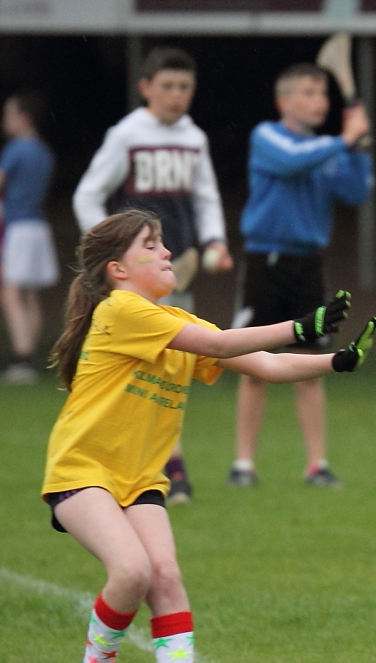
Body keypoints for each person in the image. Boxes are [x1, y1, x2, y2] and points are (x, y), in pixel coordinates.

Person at [44, 209, 376, 663]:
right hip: (82, 470)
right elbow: (225, 347)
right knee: (130, 571)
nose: (166, 252)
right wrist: (302, 326)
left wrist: (333, 362)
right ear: (117, 270)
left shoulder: (178, 323)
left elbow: (262, 364)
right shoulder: (122, 310)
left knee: (166, 577)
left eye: (164, 244)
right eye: (150, 246)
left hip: (140, 479)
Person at [73, 45, 233, 505]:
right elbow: (88, 195)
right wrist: (106, 252)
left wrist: (215, 241)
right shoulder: (127, 135)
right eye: (166, 86)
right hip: (133, 282)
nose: (176, 95)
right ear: (145, 88)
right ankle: (147, 467)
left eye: (185, 87)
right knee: (134, 373)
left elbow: (205, 197)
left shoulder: (194, 138)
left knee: (176, 368)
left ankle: (169, 465)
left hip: (174, 272)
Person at [228, 63, 372, 489]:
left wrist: (359, 148)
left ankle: (316, 465)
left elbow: (357, 191)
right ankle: (243, 464)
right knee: (255, 366)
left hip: (308, 265)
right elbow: (292, 163)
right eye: (307, 92)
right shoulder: (268, 138)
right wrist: (344, 139)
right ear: (283, 101)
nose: (318, 101)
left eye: (323, 94)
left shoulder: (328, 151)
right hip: (266, 260)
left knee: (309, 364)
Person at [0, 91, 58, 385]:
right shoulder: (44, 152)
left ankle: (22, 358)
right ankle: (27, 358)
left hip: (18, 227)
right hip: (39, 226)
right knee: (29, 294)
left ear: (24, 118)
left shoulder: (15, 149)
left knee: (9, 292)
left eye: (8, 115)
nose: (5, 122)